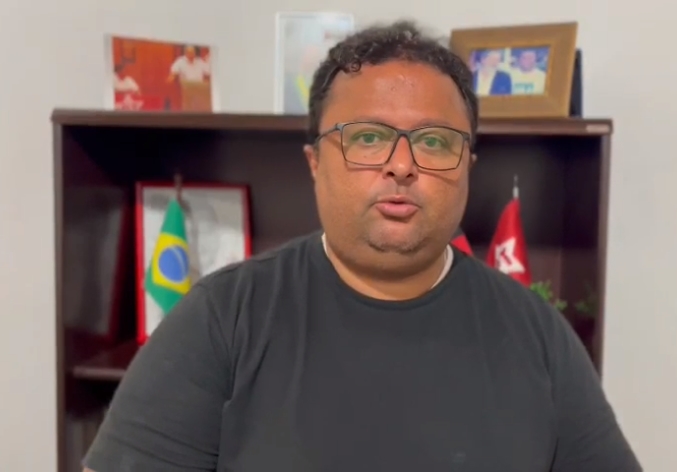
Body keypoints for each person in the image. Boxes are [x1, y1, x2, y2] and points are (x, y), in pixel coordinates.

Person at [83, 20, 641, 472]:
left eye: (434, 141)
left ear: (467, 167)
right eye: (368, 138)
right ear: (314, 163)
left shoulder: (539, 336)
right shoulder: (222, 319)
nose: (401, 166)